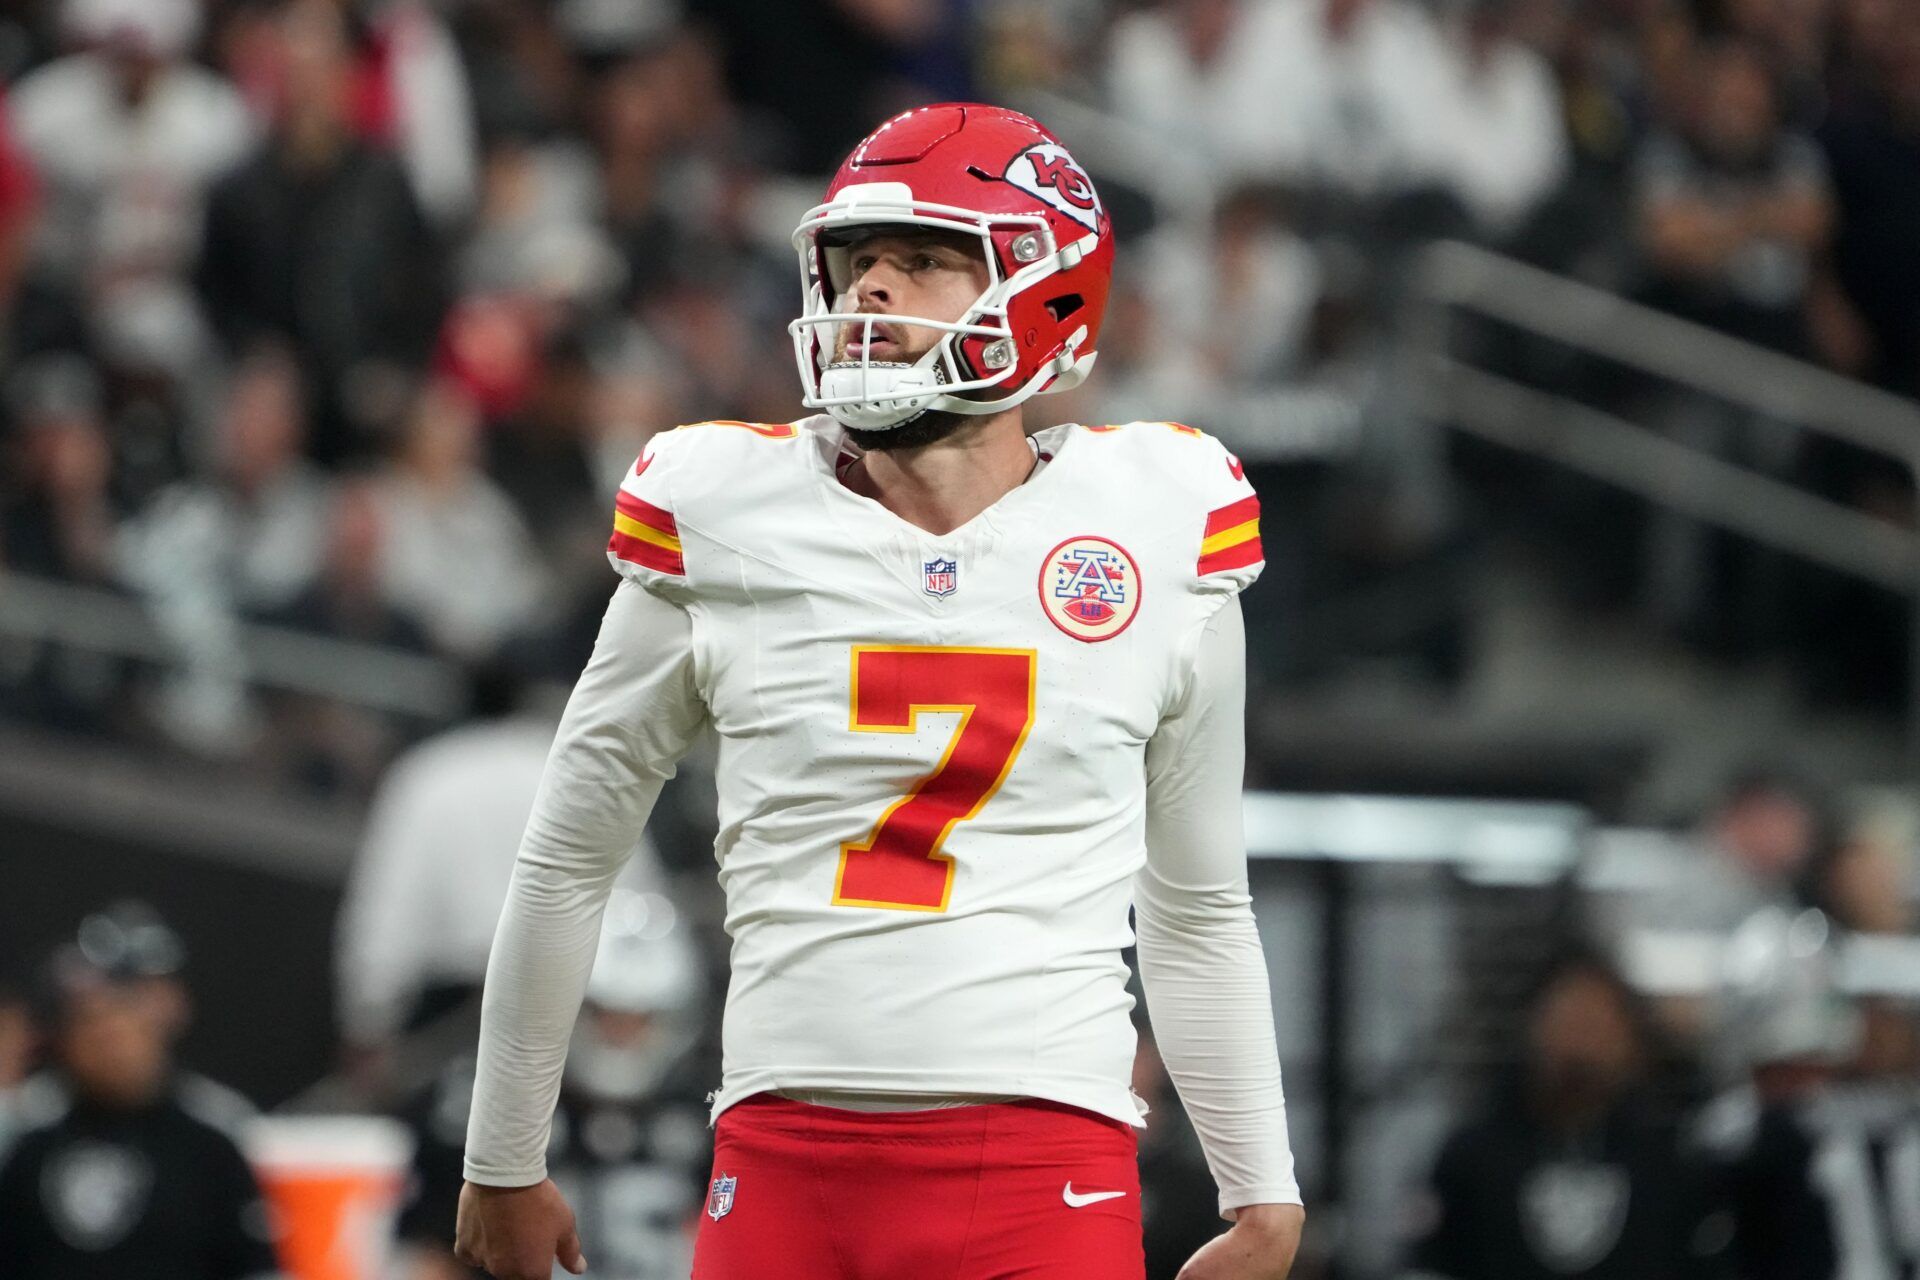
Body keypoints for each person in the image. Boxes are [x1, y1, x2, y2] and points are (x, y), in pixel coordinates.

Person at [455, 103, 1305, 1280]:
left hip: (1042, 1165)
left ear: (1049, 290)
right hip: (782, 1156)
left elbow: (1199, 904)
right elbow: (566, 857)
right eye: (859, 265)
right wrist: (502, 1148)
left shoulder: (1155, 524)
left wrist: (1259, 1181)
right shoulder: (728, 511)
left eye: (926, 262)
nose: (872, 294)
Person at [396, 889, 714, 1280]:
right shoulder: (483, 1109)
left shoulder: (703, 1117)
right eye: (602, 1014)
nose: (619, 1035)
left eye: (639, 1019)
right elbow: (433, 1256)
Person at [1406, 953, 1724, 1280]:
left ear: (1630, 1042)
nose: (1582, 1043)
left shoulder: (1669, 1164)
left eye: (1598, 1023)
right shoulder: (1471, 1158)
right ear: (1533, 1027)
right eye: (1568, 1019)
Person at [0, 944, 283, 1280]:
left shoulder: (212, 1136)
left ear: (154, 1030)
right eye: (92, 1034)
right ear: (66, 1045)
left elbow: (256, 1264)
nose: (111, 1050)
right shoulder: (30, 1138)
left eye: (121, 1031)